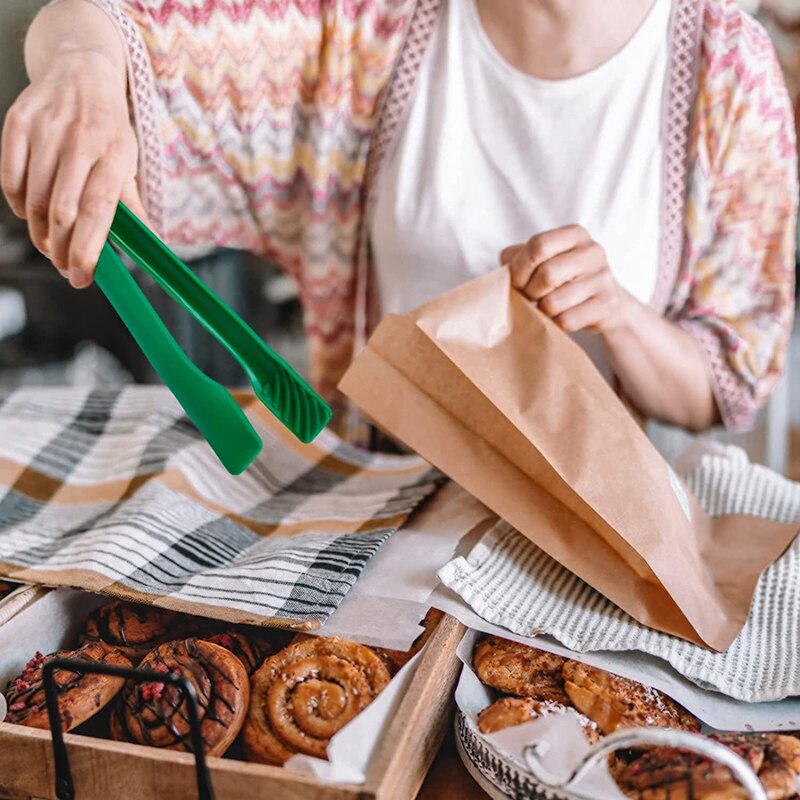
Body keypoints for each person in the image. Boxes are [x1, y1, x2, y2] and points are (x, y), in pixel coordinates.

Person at [0, 0, 796, 443]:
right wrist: (84, 69)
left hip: (593, 544)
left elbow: (719, 385)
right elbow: (117, 25)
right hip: (376, 512)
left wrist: (619, 315)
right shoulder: (365, 29)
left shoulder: (729, 72)